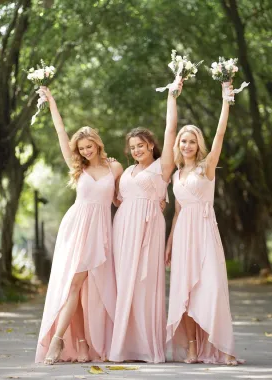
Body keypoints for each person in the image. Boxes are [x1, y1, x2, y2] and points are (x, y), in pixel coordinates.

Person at [35, 87, 123, 364]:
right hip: (76, 227)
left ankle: (78, 343)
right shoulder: (79, 168)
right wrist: (52, 102)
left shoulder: (115, 168)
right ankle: (63, 342)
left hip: (100, 231)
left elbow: (122, 197)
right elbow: (61, 133)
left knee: (83, 289)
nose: (85, 151)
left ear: (98, 144)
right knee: (74, 285)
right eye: (81, 148)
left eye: (89, 146)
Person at [109, 79, 183, 363]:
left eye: (141, 145)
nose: (137, 150)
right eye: (133, 147)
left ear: (151, 144)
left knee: (145, 284)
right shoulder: (126, 171)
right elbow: (116, 200)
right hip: (122, 230)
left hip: (149, 228)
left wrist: (172, 96)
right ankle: (122, 346)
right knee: (123, 283)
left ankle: (147, 347)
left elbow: (171, 130)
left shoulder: (161, 167)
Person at [165, 82, 239, 365]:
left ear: (198, 145)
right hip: (183, 234)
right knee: (184, 291)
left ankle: (225, 348)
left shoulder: (206, 166)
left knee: (212, 287)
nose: (187, 145)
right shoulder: (176, 176)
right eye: (183, 141)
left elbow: (220, 133)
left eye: (192, 141)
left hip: (205, 232)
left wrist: (225, 100)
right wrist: (170, 243)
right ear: (178, 145)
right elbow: (176, 212)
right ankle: (193, 349)